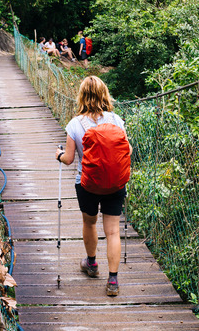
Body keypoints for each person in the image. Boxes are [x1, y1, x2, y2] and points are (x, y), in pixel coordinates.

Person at [55, 76, 131, 296]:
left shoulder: (75, 124)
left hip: (86, 184)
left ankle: (92, 264)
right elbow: (129, 151)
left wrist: (58, 154)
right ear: (104, 93)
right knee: (113, 231)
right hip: (115, 184)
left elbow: (69, 159)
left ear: (82, 96)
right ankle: (113, 281)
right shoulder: (117, 120)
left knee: (89, 223)